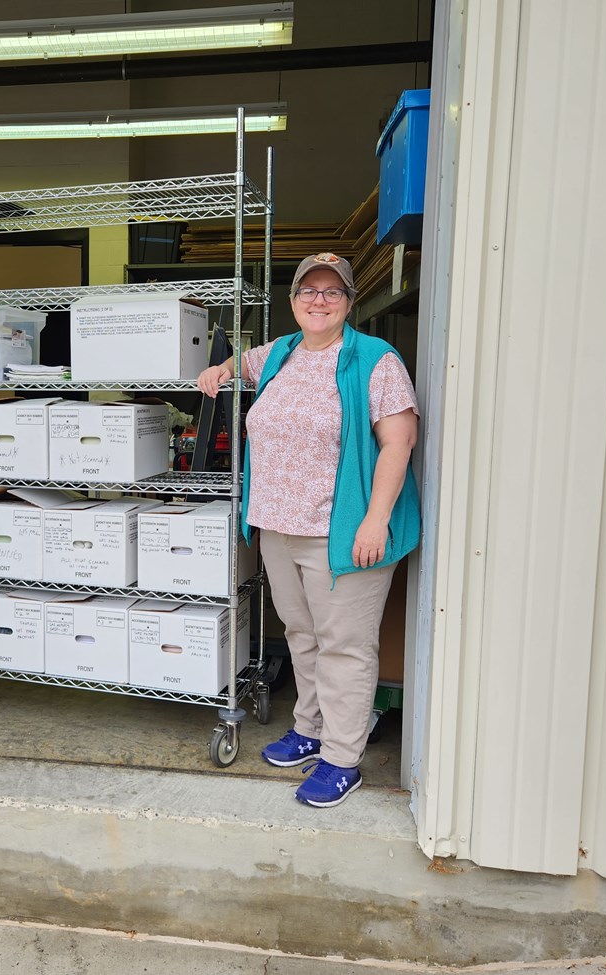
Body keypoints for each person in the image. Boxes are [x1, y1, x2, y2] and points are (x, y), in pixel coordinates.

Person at [197, 252, 421, 808]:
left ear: (349, 302)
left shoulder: (374, 359)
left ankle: (343, 758)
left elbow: (400, 441)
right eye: (308, 291)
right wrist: (219, 370)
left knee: (344, 646)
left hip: (341, 530)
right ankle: (310, 727)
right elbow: (239, 364)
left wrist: (374, 520)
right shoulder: (281, 352)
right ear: (294, 299)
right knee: (301, 634)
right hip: (278, 525)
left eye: (332, 292)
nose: (319, 300)